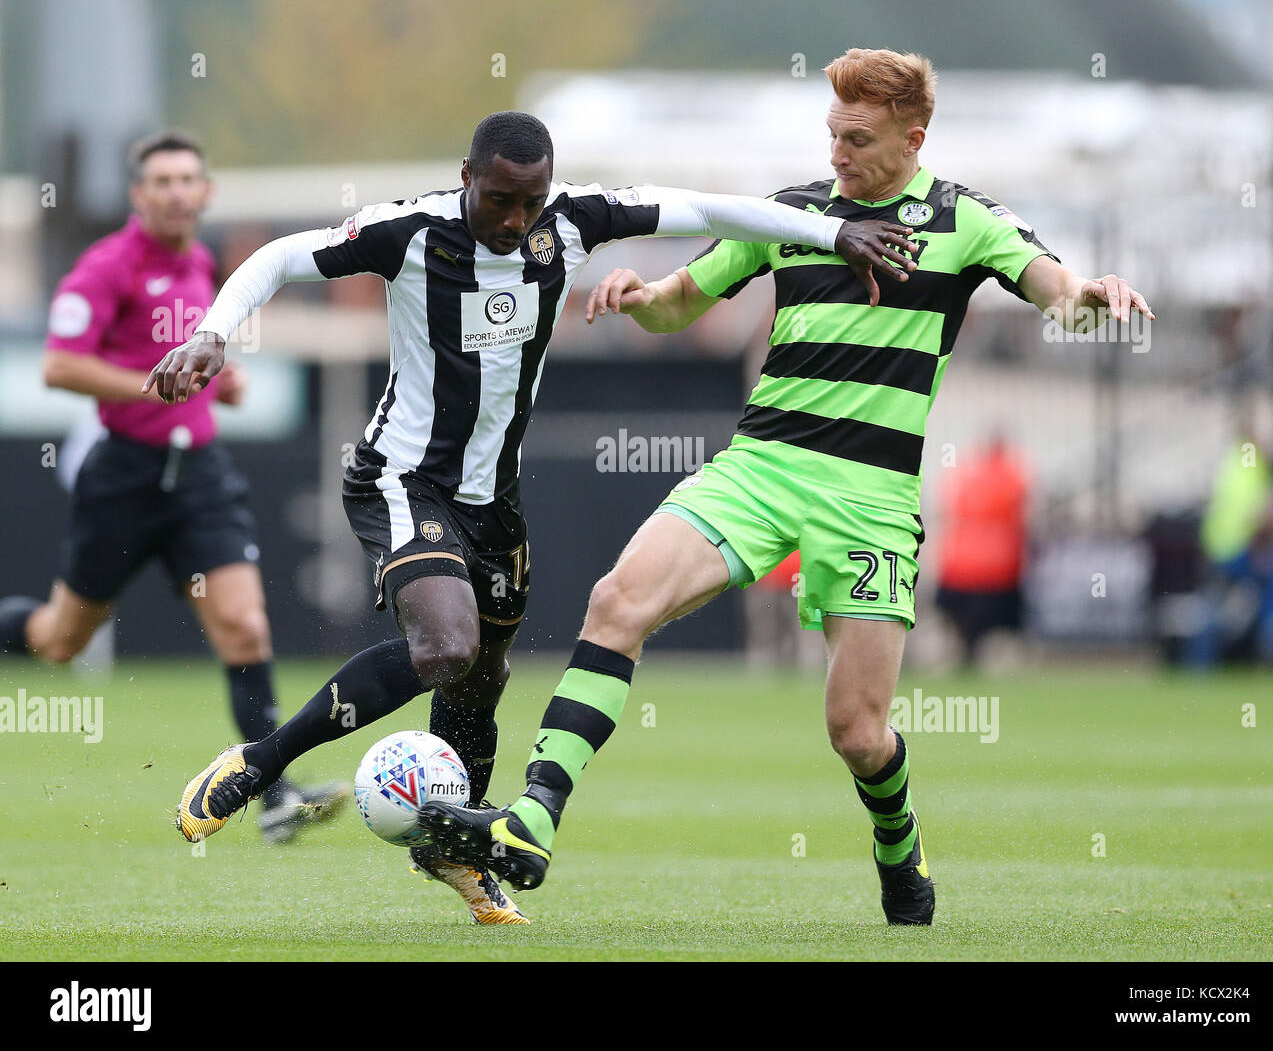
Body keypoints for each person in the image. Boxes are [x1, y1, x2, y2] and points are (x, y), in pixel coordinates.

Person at [412, 49, 1156, 928]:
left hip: (871, 498)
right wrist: (635, 293)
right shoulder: (793, 214)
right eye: (832, 134)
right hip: (759, 467)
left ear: (914, 137)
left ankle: (898, 841)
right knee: (618, 601)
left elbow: (1057, 295)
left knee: (858, 732)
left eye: (859, 139)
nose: (839, 154)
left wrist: (1094, 296)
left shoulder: (970, 221)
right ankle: (533, 820)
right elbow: (681, 301)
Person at [143, 110, 919, 926]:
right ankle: (261, 762)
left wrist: (833, 233)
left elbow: (709, 207)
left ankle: (454, 850)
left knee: (481, 683)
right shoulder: (409, 232)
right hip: (404, 479)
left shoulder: (572, 223)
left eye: (531, 201)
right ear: (468, 176)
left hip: (496, 500)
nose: (516, 221)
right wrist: (212, 335)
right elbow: (277, 256)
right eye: (502, 200)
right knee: (446, 644)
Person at [0, 130, 347, 844]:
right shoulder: (107, 265)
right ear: (139, 195)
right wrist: (154, 385)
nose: (176, 191)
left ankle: (273, 793)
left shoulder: (202, 263)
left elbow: (199, 355)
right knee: (60, 639)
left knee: (245, 624)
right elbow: (60, 367)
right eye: (161, 181)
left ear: (206, 192)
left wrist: (225, 380)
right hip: (124, 476)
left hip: (200, 475)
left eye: (188, 179)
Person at [933, 434, 1030, 667]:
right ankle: (994, 660)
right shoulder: (1013, 475)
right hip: (998, 564)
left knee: (960, 619)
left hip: (959, 564)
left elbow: (949, 507)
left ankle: (963, 654)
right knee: (998, 623)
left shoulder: (964, 474)